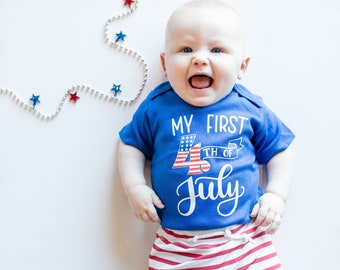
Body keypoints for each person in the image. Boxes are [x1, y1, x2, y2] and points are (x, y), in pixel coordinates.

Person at [118, 0, 295, 269]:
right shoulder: (157, 107)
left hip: (244, 240)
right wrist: (134, 188)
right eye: (186, 49)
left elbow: (279, 148)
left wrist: (276, 195)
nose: (200, 58)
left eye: (217, 49)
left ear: (242, 66)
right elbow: (131, 144)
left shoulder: (249, 107)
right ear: (165, 63)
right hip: (175, 246)